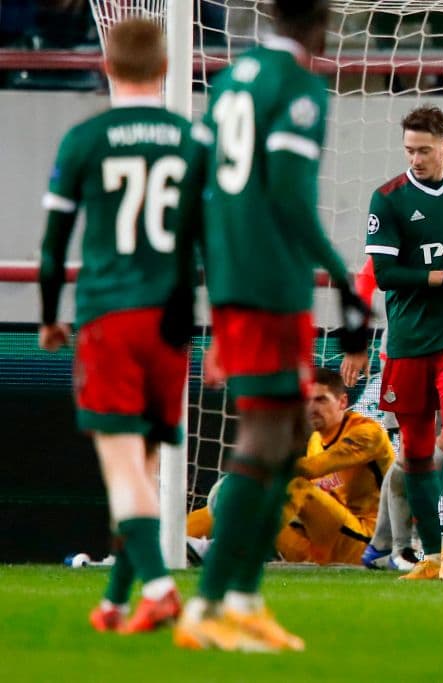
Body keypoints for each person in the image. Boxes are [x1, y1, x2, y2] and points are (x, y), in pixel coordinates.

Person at [172, 0, 370, 652]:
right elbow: (288, 193)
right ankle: (213, 602)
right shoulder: (299, 89)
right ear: (320, 27)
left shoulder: (232, 80)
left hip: (233, 281)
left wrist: (188, 276)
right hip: (271, 285)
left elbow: (193, 180)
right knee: (266, 441)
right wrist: (340, 279)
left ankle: (240, 597)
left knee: (283, 440)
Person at [37, 17, 198, 636]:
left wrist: (51, 317)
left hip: (110, 315)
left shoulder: (86, 139)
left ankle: (158, 589)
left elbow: (53, 248)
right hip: (171, 322)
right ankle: (113, 600)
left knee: (122, 467)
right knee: (147, 465)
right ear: (164, 68)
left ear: (108, 66)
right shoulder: (192, 139)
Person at [362, 105, 443, 581]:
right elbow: (385, 274)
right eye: (408, 151)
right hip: (410, 338)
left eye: (423, 150)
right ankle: (434, 554)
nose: (415, 159)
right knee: (415, 451)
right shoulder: (389, 199)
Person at [187, 368, 394, 565]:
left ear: (342, 402)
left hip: (364, 544)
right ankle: (169, 540)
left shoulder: (368, 433)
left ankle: (232, 549)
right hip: (320, 544)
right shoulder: (315, 440)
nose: (312, 408)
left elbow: (311, 469)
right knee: (235, 509)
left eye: (321, 400)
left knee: (295, 485)